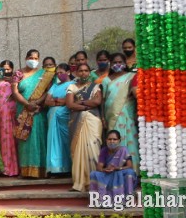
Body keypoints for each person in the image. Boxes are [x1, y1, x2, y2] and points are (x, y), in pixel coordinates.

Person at [13, 49, 55, 179]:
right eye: (31, 57)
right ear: (26, 58)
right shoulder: (18, 73)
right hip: (23, 110)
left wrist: (36, 103)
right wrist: (27, 104)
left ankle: (41, 170)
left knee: (39, 138)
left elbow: (47, 92)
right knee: (25, 140)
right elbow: (15, 92)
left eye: (36, 58)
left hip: (38, 110)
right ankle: (26, 170)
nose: (33, 60)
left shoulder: (44, 74)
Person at [65, 62, 104, 192]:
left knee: (94, 148)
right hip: (76, 121)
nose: (83, 73)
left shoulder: (95, 86)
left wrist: (80, 103)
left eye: (86, 70)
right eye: (80, 71)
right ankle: (79, 182)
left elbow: (97, 101)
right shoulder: (72, 86)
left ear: (89, 72)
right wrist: (87, 106)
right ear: (76, 73)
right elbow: (70, 104)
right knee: (78, 151)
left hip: (93, 120)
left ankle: (95, 183)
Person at [101, 52, 139, 166]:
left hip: (127, 114)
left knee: (130, 140)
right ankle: (114, 168)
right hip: (111, 116)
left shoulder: (131, 77)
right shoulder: (106, 80)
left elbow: (136, 95)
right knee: (113, 140)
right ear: (110, 64)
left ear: (125, 63)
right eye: (114, 62)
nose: (117, 64)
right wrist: (103, 118)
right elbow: (103, 100)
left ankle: (132, 169)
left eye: (120, 62)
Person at [90, 130, 139, 197]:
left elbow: (130, 166)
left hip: (120, 172)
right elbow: (99, 167)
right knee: (93, 174)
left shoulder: (124, 150)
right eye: (109, 139)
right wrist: (105, 169)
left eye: (114, 139)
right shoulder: (104, 150)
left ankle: (128, 197)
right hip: (108, 174)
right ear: (106, 140)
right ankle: (100, 199)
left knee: (130, 172)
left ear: (119, 140)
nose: (112, 141)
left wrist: (118, 168)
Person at [44, 63, 73, 177]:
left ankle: (67, 168)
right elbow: (47, 101)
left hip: (65, 117)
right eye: (57, 73)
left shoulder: (73, 85)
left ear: (68, 72)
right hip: (52, 117)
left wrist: (56, 101)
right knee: (53, 141)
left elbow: (68, 101)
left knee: (65, 142)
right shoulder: (55, 86)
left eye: (61, 72)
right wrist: (58, 101)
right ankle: (54, 168)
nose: (59, 75)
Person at [0, 59, 20, 177]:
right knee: (2, 139)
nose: (6, 71)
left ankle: (14, 169)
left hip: (13, 113)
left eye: (8, 69)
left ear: (12, 69)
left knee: (13, 139)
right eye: (3, 69)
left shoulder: (17, 79)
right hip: (1, 114)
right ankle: (2, 168)